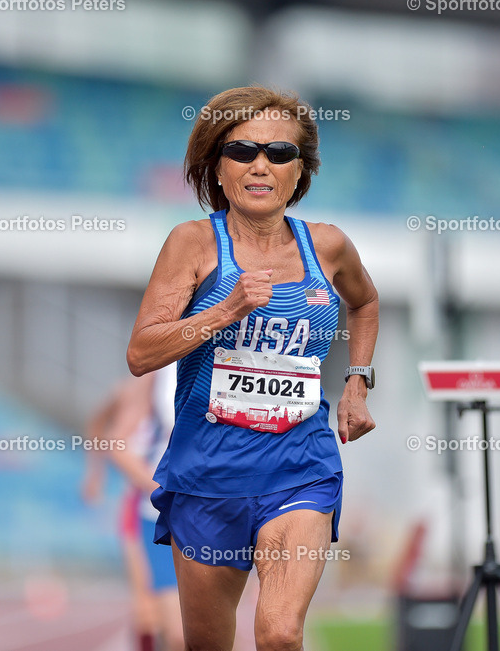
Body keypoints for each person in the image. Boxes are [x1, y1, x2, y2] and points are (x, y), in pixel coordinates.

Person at [127, 85, 379, 651]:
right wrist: (227, 309)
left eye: (279, 153)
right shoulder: (191, 245)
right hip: (207, 477)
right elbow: (142, 353)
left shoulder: (329, 246)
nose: (260, 164)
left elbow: (364, 302)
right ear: (218, 168)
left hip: (300, 468)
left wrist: (358, 382)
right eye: (241, 151)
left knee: (280, 634)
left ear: (300, 172)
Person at [80, 371, 182, 651]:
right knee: (147, 608)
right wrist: (94, 473)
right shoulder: (141, 384)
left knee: (181, 619)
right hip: (144, 501)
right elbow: (100, 427)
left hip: (179, 501)